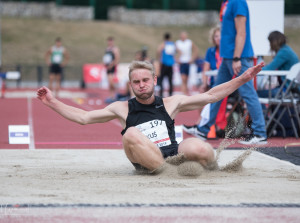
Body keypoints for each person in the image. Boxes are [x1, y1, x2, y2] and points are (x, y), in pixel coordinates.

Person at [37, 60, 265, 173]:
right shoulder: (121, 108)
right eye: (136, 82)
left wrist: (242, 79)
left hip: (173, 156)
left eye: (145, 80)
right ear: (131, 85)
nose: (141, 85)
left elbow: (210, 96)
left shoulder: (171, 102)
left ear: (154, 81)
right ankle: (163, 172)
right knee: (131, 133)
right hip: (147, 160)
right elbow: (84, 117)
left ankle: (215, 173)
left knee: (199, 146)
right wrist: (52, 102)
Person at [183, 0, 267, 145]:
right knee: (216, 93)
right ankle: (204, 129)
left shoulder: (238, 2)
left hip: (237, 56)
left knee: (248, 94)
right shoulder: (226, 2)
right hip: (227, 56)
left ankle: (260, 134)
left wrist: (236, 57)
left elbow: (241, 32)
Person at [184, 26, 228, 136]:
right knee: (200, 97)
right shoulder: (210, 51)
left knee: (212, 98)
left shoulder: (228, 51)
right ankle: (201, 124)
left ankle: (200, 125)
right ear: (213, 39)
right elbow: (205, 69)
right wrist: (204, 83)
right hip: (213, 83)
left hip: (226, 85)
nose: (218, 38)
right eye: (216, 36)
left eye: (220, 36)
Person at [257, 31, 299, 98]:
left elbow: (269, 68)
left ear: (274, 42)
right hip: (290, 88)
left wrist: (253, 69)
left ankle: (260, 109)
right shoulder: (286, 49)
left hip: (288, 90)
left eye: (270, 42)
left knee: (256, 94)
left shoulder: (284, 52)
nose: (269, 45)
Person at [157, 32, 177, 97]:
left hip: (164, 64)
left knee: (161, 80)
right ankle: (170, 94)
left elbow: (158, 51)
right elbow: (177, 51)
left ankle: (161, 95)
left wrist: (159, 60)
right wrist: (176, 58)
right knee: (170, 81)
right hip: (170, 65)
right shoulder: (173, 44)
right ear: (170, 38)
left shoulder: (164, 44)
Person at [102, 36, 120, 103]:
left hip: (112, 67)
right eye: (108, 41)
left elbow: (117, 58)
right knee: (109, 83)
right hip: (107, 67)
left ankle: (115, 95)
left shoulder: (115, 49)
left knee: (112, 82)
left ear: (113, 41)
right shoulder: (107, 49)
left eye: (111, 41)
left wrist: (111, 65)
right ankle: (111, 96)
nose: (109, 42)